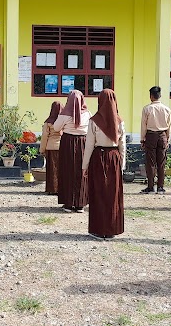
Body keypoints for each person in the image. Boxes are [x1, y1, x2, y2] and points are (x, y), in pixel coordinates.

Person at [82, 89, 126, 240]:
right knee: (112, 194)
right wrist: (122, 165)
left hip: (99, 158)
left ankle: (99, 230)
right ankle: (112, 229)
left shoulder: (94, 121)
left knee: (99, 193)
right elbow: (122, 146)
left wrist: (84, 166)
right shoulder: (120, 121)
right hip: (114, 158)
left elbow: (89, 145)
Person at [54, 90, 91, 213]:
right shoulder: (87, 114)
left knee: (67, 171)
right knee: (82, 170)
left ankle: (69, 203)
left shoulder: (64, 114)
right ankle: (80, 203)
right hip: (83, 143)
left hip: (68, 143)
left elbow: (56, 127)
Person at [139, 86, 171, 194]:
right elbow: (168, 126)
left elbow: (144, 125)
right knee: (161, 162)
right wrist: (167, 138)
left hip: (150, 135)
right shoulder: (167, 109)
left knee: (150, 162)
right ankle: (160, 187)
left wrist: (142, 139)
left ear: (151, 96)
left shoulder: (147, 109)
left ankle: (150, 186)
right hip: (162, 135)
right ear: (160, 96)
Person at [39, 102, 63, 195]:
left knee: (52, 169)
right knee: (61, 169)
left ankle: (52, 188)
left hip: (51, 147)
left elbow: (45, 136)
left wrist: (42, 150)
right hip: (62, 147)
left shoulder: (48, 122)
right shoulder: (64, 121)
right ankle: (61, 188)